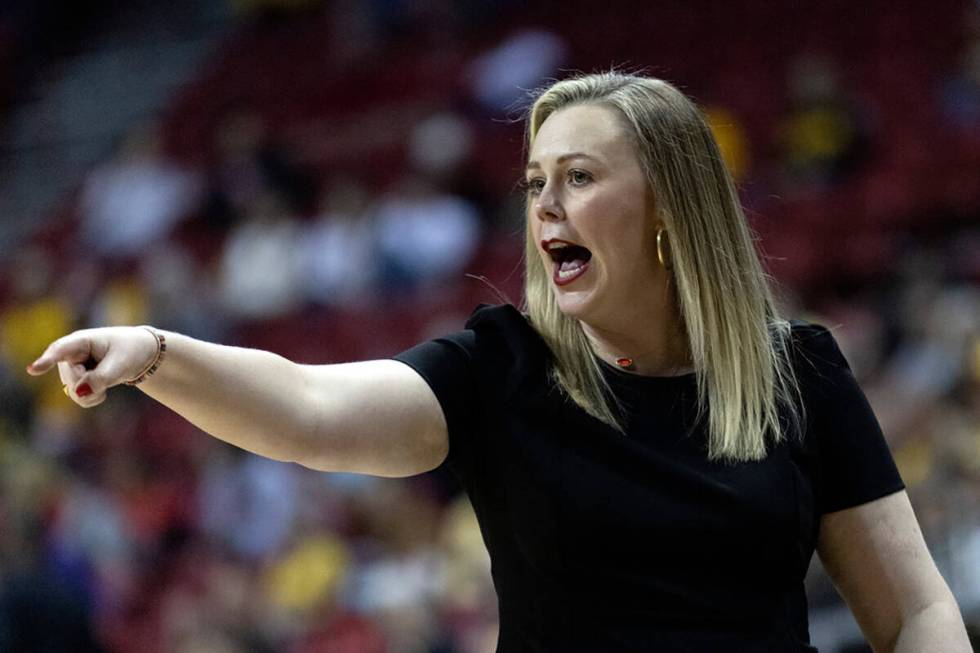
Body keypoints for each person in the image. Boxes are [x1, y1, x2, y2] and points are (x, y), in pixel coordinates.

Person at [27, 72, 971, 652]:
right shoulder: (500, 369)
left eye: (580, 177)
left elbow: (913, 613)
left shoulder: (796, 374)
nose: (544, 205)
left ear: (671, 208)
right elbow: (310, 409)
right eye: (534, 183)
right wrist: (156, 352)